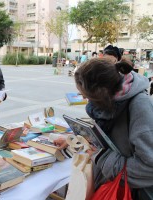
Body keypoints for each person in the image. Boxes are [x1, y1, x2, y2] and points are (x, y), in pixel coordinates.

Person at [56, 58, 153, 199]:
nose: (82, 97)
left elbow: (148, 167)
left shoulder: (140, 107)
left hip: (129, 193)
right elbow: (107, 137)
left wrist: (102, 157)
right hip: (107, 182)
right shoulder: (112, 101)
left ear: (102, 92)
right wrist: (76, 139)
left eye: (87, 95)